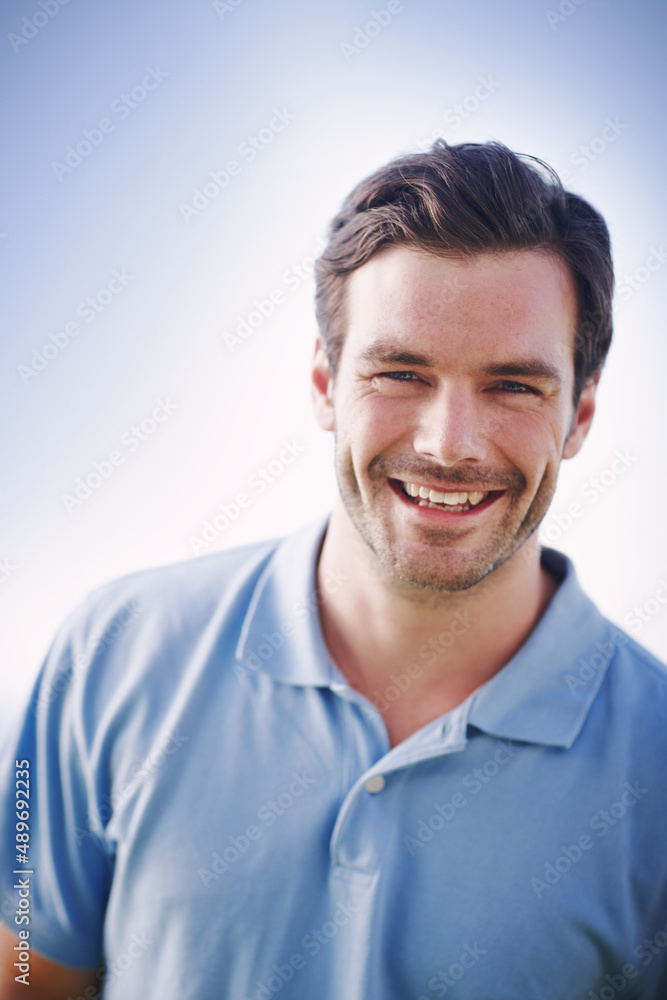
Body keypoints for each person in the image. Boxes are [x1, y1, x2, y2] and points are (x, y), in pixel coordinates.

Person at [1, 139, 666, 1000]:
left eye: (512, 386)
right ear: (324, 383)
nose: (448, 444)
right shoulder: (112, 653)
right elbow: (26, 979)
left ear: (578, 414)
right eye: (399, 371)